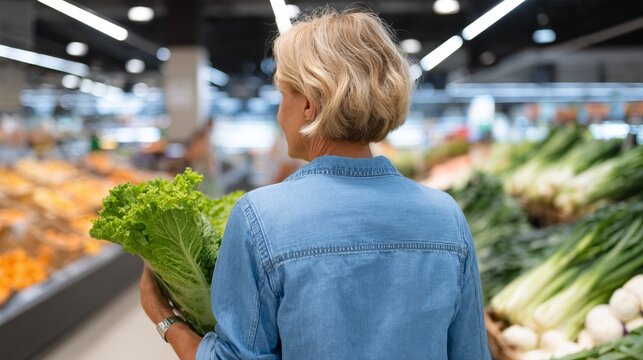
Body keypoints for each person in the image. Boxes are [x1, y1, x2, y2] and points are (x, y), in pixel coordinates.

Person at [140, 8, 490, 360]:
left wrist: (166, 319)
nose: (280, 113)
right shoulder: (447, 218)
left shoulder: (260, 218)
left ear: (308, 105)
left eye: (282, 95)